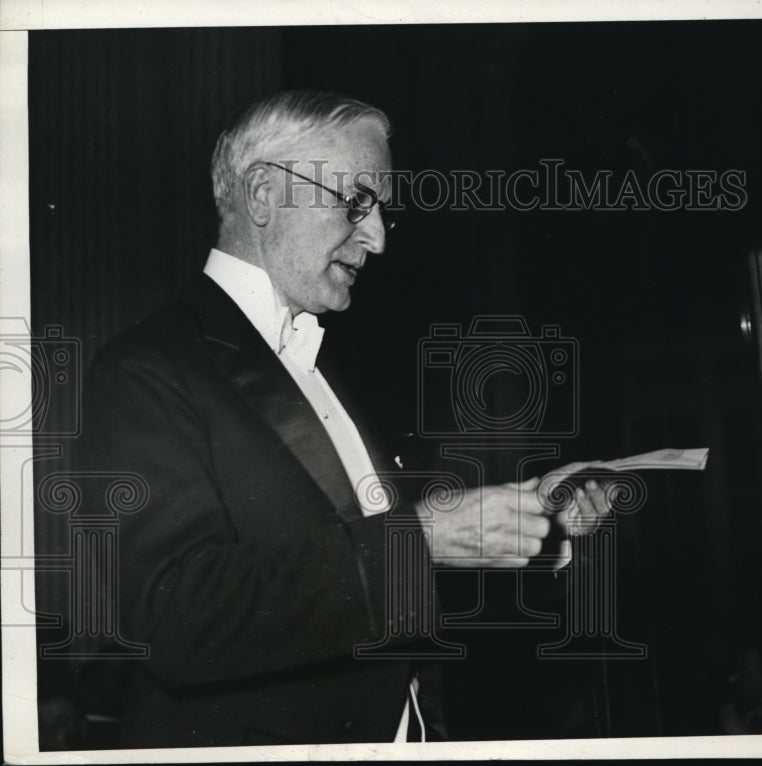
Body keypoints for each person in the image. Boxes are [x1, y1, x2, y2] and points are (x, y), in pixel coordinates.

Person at [76, 90, 610, 748]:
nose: (378, 237)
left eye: (381, 208)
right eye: (356, 201)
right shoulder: (143, 370)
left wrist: (532, 534)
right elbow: (175, 621)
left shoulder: (318, 364)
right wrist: (424, 537)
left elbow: (366, 586)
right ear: (264, 195)